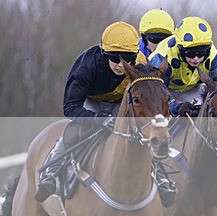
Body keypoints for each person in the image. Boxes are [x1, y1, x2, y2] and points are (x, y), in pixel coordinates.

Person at [35, 21, 176, 203]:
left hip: (122, 103)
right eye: (114, 58)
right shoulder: (87, 66)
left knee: (143, 133)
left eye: (127, 59)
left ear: (135, 55)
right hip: (92, 102)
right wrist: (98, 120)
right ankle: (51, 173)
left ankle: (161, 176)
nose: (120, 64)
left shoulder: (141, 63)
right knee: (74, 131)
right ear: (103, 54)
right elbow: (70, 108)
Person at [148, 16, 217, 116]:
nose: (196, 58)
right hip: (163, 89)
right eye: (191, 54)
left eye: (201, 53)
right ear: (180, 50)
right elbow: (154, 95)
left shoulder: (213, 55)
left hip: (193, 88)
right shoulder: (163, 57)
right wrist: (176, 107)